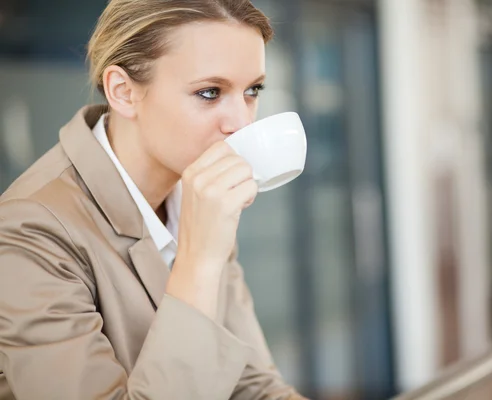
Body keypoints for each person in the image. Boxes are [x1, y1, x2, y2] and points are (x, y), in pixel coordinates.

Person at [0, 1, 308, 399]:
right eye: (209, 92)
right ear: (124, 92)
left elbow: (250, 385)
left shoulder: (193, 194)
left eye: (252, 91)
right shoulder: (28, 232)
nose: (241, 123)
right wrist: (198, 259)